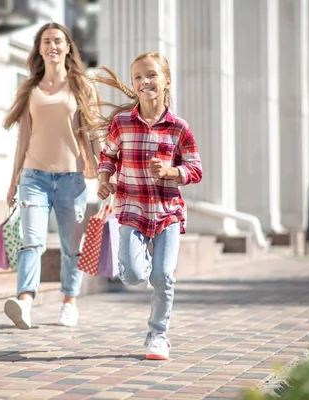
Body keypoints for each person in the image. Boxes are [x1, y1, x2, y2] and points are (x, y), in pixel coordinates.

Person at [94, 52, 203, 360]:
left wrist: (171, 172)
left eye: (152, 75)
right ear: (134, 84)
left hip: (168, 212)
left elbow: (195, 169)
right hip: (131, 209)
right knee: (130, 275)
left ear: (166, 81)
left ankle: (158, 335)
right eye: (138, 77)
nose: (145, 81)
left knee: (164, 277)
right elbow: (107, 156)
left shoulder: (179, 128)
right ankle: (148, 275)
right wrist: (105, 179)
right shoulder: (122, 123)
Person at [2, 22, 103, 330]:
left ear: (68, 47)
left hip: (71, 180)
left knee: (72, 246)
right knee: (31, 242)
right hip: (34, 178)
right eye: (46, 41)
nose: (52, 46)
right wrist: (13, 182)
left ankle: (69, 302)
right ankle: (25, 302)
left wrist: (105, 172)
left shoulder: (83, 86)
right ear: (39, 48)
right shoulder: (30, 89)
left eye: (58, 41)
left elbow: (95, 132)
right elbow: (23, 140)